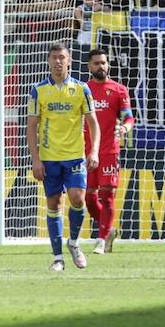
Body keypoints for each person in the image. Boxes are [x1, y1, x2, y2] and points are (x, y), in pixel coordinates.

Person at [26, 42, 99, 272]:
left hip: (75, 157)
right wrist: (36, 160)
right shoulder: (38, 90)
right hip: (49, 158)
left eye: (62, 57)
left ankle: (74, 243)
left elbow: (93, 123)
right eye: (54, 57)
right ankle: (58, 258)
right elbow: (31, 127)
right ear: (48, 61)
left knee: (78, 198)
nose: (58, 61)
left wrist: (94, 150)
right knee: (54, 204)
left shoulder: (81, 89)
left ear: (69, 61)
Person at [81, 48, 133, 254]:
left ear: (108, 65)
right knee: (88, 198)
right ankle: (109, 229)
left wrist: (125, 127)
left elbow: (128, 116)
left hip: (110, 150)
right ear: (89, 66)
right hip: (87, 151)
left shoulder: (119, 90)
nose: (100, 66)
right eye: (96, 63)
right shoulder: (83, 89)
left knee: (108, 195)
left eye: (103, 63)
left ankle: (101, 240)